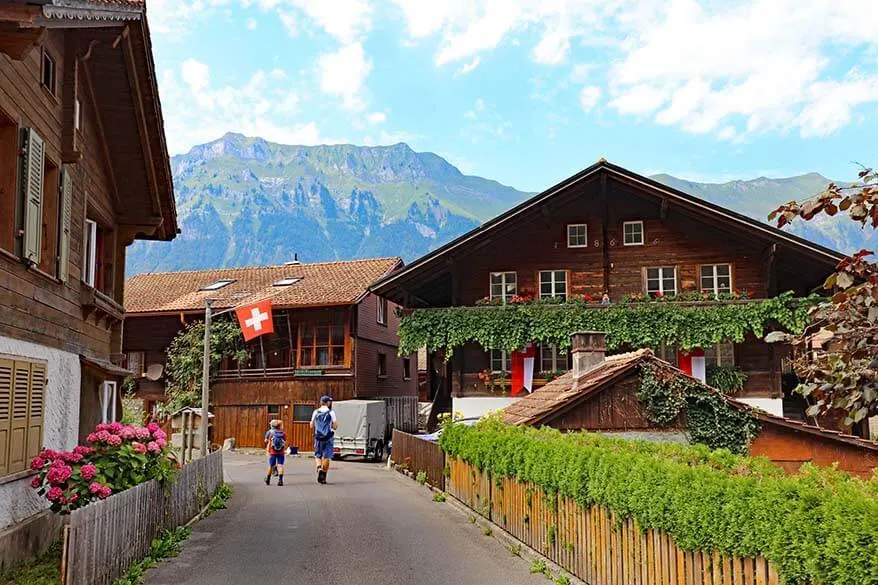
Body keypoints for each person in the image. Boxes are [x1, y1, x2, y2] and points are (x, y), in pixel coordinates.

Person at [310, 395, 337, 484]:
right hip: (328, 437)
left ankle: (319, 468)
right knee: (327, 456)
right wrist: (332, 426)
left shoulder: (316, 412)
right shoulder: (331, 412)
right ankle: (324, 476)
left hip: (318, 437)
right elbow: (335, 426)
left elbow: (311, 425)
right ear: (327, 402)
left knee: (318, 455)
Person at [265, 419, 286, 486]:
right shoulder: (283, 433)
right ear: (280, 426)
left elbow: (269, 442)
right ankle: (280, 481)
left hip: (273, 452)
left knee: (271, 466)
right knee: (280, 466)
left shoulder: (271, 433)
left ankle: (268, 479)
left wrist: (268, 451)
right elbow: (285, 442)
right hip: (281, 452)